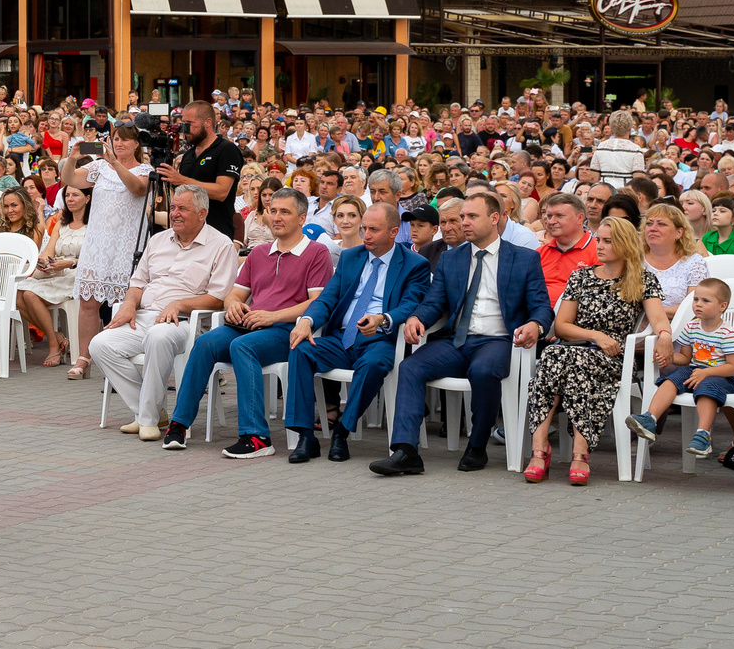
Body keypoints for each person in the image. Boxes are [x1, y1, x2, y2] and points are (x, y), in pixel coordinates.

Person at [384, 190, 552, 475]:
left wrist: (535, 325)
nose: (464, 223)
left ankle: (477, 445)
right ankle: (405, 451)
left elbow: (542, 307)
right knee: (410, 366)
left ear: (494, 218)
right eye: (463, 217)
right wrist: (416, 318)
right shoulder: (452, 259)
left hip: (499, 340)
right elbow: (435, 302)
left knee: (484, 371)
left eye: (472, 216)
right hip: (455, 340)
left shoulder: (524, 258)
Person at [158, 188, 332, 458]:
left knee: (243, 346)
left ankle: (257, 437)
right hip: (250, 325)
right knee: (204, 343)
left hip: (286, 330)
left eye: (285, 212)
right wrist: (234, 305)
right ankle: (179, 424)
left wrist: (273, 316)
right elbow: (235, 294)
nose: (276, 217)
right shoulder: (260, 252)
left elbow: (317, 302)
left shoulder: (316, 253)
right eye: (273, 211)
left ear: (302, 218)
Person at [281, 199, 431, 462]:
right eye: (364, 228)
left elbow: (410, 304)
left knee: (374, 364)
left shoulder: (414, 264)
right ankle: (306, 436)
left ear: (393, 233)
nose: (366, 235)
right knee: (300, 348)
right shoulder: (351, 257)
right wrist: (307, 320)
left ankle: (342, 431)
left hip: (378, 339)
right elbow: (327, 298)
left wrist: (383, 319)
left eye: (374, 229)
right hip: (341, 337)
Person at [521, 215, 664, 486]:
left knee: (564, 360)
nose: (599, 245)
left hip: (612, 357)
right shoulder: (581, 276)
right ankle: (545, 449)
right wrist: (596, 336)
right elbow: (561, 326)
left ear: (624, 245)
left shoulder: (642, 279)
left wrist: (665, 334)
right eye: (599, 239)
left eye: (608, 241)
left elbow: (657, 319)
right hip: (578, 348)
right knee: (555, 355)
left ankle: (570, 452)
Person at [67, 121, 153, 377]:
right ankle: (84, 358)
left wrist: (115, 163)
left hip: (127, 244)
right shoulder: (99, 167)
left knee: (121, 303)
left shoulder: (145, 169)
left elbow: (138, 189)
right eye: (116, 138)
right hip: (98, 243)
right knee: (88, 302)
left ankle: (116, 358)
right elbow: (70, 180)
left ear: (136, 144)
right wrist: (72, 159)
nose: (119, 143)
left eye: (125, 139)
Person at [627, 277, 734, 459]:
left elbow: (733, 367)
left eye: (705, 301)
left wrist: (706, 372)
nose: (698, 304)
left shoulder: (727, 333)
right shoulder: (691, 327)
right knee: (672, 378)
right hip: (695, 370)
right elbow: (685, 358)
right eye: (696, 299)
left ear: (722, 306)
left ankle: (703, 434)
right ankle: (650, 418)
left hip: (721, 377)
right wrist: (668, 358)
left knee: (707, 388)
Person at [15, 181, 91, 369]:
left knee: (30, 295)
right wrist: (46, 263)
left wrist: (70, 263)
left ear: (87, 198)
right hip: (57, 270)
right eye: (67, 196)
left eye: (75, 195)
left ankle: (53, 346)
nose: (70, 199)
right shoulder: (61, 224)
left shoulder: (94, 226)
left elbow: (97, 260)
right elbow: (49, 252)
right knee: (17, 294)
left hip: (78, 273)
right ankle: (56, 338)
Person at [158, 99, 242, 242]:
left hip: (216, 234)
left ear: (207, 122)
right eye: (183, 124)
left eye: (189, 124)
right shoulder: (188, 155)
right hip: (186, 235)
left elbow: (222, 191)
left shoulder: (227, 150)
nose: (185, 129)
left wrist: (182, 180)